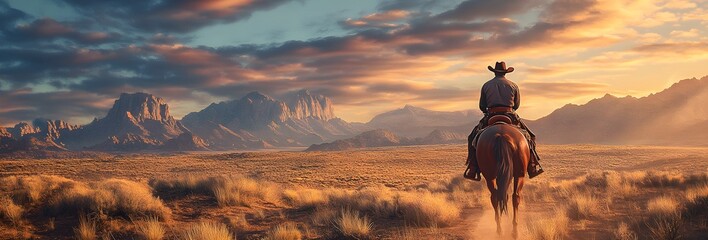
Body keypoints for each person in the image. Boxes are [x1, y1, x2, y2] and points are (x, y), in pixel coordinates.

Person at [464, 61, 544, 181]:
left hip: (491, 114)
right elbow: (516, 105)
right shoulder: (513, 85)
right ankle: (532, 166)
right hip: (510, 115)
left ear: (495, 72)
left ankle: (473, 168)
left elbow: (482, 105)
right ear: (505, 73)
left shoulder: (486, 85)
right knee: (530, 136)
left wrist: (488, 111)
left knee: (472, 137)